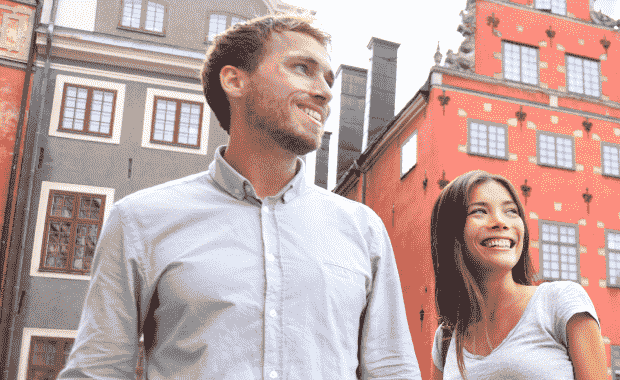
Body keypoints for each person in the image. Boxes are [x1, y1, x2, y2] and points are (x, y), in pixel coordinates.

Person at [59, 14, 421, 379]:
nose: (325, 92)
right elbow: (96, 370)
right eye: (302, 68)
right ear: (235, 80)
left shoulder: (362, 230)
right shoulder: (139, 221)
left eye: (328, 80)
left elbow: (393, 370)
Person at [429, 171, 606, 380]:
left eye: (511, 211)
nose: (501, 222)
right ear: (451, 232)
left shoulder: (560, 302)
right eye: (479, 211)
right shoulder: (447, 337)